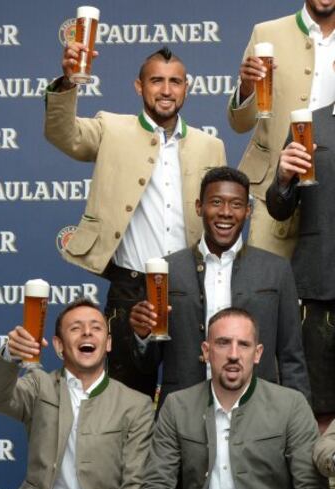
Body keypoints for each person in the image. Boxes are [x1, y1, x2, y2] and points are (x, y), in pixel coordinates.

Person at [44, 45, 226, 399]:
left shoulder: (211, 145)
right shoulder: (111, 127)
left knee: (190, 393)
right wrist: (68, 82)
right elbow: (63, 134)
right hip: (130, 287)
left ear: (187, 87)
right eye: (156, 80)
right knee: (126, 397)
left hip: (189, 286)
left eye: (175, 81)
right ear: (138, 87)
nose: (166, 90)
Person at [130, 166, 310, 410]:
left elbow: (292, 359)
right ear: (199, 207)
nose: (226, 212)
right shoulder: (165, 271)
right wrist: (142, 336)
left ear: (247, 211)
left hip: (258, 413)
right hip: (184, 414)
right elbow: (146, 366)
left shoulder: (276, 270)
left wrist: (299, 423)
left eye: (236, 204)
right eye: (216, 202)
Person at [134, 307, 329, 489]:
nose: (234, 354)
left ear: (257, 353)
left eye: (244, 344)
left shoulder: (291, 405)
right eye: (223, 343)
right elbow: (156, 488)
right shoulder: (177, 406)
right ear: (206, 351)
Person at [0, 298, 154, 489]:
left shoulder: (135, 404)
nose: (87, 333)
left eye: (96, 327)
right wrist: (10, 354)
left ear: (108, 343)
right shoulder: (39, 386)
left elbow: (135, 485)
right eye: (75, 328)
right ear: (59, 346)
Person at [228, 0, 335, 258]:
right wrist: (246, 88)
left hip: (329, 194)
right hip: (273, 189)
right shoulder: (267, 34)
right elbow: (239, 124)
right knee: (265, 291)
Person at [266, 101, 335, 433]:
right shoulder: (308, 124)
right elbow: (279, 208)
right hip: (319, 288)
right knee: (318, 408)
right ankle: (320, 485)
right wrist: (282, 177)